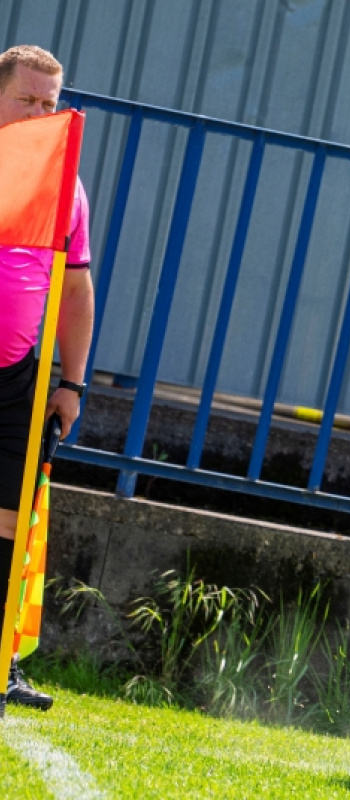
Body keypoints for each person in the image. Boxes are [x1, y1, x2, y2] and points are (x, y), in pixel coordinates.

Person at [0, 45, 94, 710]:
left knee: (10, 524)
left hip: (17, 380)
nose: (39, 113)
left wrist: (72, 383)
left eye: (49, 104)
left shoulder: (63, 183)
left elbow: (78, 288)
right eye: (26, 99)